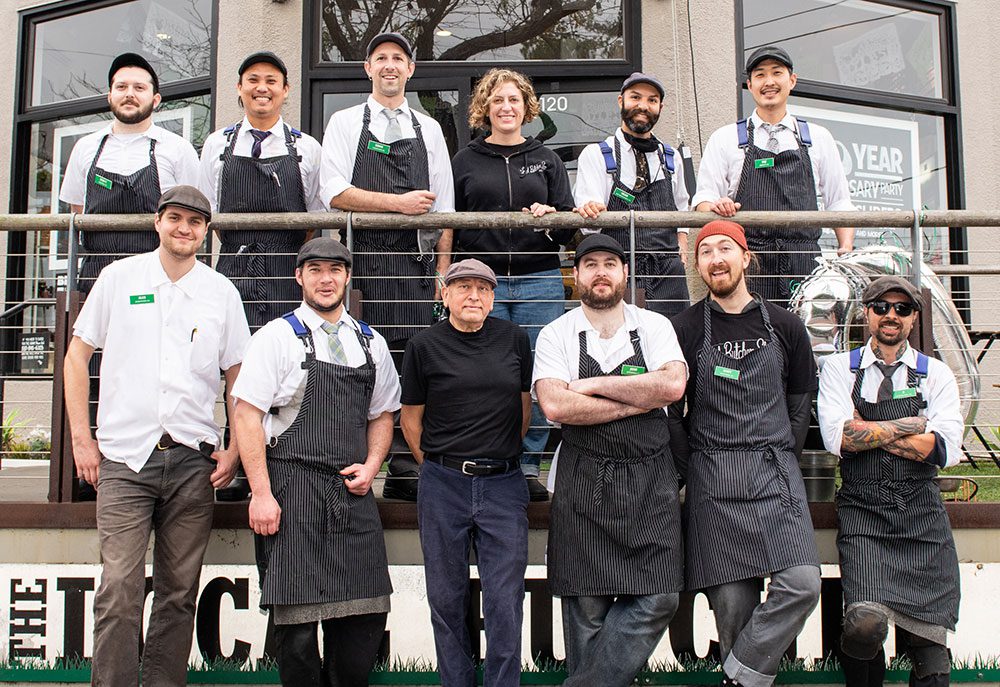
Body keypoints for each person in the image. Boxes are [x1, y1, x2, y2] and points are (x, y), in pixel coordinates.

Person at [62, 185, 249, 687]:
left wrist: (234, 447)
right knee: (119, 587)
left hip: (193, 461)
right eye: (175, 218)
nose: (183, 228)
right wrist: (84, 439)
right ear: (157, 222)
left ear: (206, 231)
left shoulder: (220, 292)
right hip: (125, 460)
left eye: (194, 221)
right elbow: (76, 357)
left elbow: (238, 376)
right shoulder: (119, 278)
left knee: (178, 592)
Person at [232, 237, 399, 687]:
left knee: (361, 629)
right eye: (316, 270)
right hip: (292, 491)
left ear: (348, 277)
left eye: (336, 270)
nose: (327, 280)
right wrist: (261, 494)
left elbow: (383, 412)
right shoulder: (276, 338)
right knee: (299, 641)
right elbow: (246, 415)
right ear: (299, 277)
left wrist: (372, 465)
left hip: (351, 494)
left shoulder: (371, 343)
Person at [668, 219, 821, 687]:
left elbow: (799, 406)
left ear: (745, 257)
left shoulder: (788, 326)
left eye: (724, 249)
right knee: (733, 608)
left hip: (774, 471)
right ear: (698, 266)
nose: (716, 259)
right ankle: (743, 673)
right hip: (713, 475)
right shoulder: (686, 328)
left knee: (803, 583)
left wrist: (781, 457)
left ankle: (735, 676)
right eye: (705, 252)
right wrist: (688, 471)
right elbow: (672, 414)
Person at [533, 234, 687, 687]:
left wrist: (588, 386)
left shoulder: (655, 326)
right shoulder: (555, 333)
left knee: (660, 596)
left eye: (610, 264)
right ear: (576, 275)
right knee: (586, 608)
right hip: (583, 481)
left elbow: (673, 387)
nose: (601, 272)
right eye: (591, 264)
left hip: (650, 481)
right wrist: (638, 398)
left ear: (624, 273)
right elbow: (557, 408)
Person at [320, 31, 455, 501]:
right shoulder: (343, 122)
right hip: (362, 266)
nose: (390, 66)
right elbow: (334, 192)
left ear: (410, 70)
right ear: (368, 69)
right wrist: (398, 204)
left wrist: (442, 271)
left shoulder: (429, 129)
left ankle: (402, 461)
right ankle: (345, 454)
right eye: (381, 59)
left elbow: (445, 213)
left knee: (408, 364)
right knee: (355, 361)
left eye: (398, 58)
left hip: (416, 268)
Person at [817, 276, 961, 687]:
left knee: (932, 657)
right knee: (864, 626)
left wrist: (872, 430)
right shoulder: (838, 369)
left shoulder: (935, 374)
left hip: (922, 516)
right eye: (881, 307)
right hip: (864, 513)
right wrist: (911, 425)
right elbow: (840, 438)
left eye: (901, 308)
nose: (890, 315)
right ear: (867, 313)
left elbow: (942, 450)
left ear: (914, 318)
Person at [400, 258, 532, 687]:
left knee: (505, 600)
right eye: (463, 287)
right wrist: (441, 468)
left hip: (504, 485)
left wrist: (496, 453)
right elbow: (411, 420)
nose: (473, 296)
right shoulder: (423, 346)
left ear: (493, 298)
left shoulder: (515, 340)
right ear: (445, 294)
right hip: (444, 486)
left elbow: (523, 409)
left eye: (482, 289)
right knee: (445, 598)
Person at [451, 67, 574, 501]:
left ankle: (526, 466)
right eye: (497, 100)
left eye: (514, 100)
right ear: (485, 108)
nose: (506, 107)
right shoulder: (465, 160)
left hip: (539, 279)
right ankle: (489, 460)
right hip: (482, 284)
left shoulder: (548, 159)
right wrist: (443, 272)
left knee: (541, 374)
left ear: (527, 108)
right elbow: (450, 223)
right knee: (486, 374)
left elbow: (568, 228)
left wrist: (551, 216)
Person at [692, 45, 855, 307]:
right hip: (749, 263)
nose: (769, 82)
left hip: (805, 260)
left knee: (808, 338)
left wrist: (845, 248)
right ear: (749, 84)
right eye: (760, 75)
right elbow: (703, 200)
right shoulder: (725, 138)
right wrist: (716, 206)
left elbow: (839, 202)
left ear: (792, 80)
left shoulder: (818, 138)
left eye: (777, 73)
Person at [199, 51, 326, 330]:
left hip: (288, 272)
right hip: (234, 265)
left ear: (285, 90)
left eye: (271, 80)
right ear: (239, 88)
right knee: (234, 356)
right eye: (253, 80)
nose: (262, 88)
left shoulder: (307, 147)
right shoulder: (216, 144)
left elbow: (315, 219)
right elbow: (210, 212)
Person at [59, 52, 200, 293]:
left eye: (139, 87)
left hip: (159, 274)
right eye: (121, 86)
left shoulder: (178, 149)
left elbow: (195, 214)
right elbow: (77, 211)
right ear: (110, 96)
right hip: (97, 275)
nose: (129, 94)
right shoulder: (85, 148)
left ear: (155, 99)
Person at [574, 72, 691, 318]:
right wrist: (591, 209)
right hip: (620, 270)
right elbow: (589, 223)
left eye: (652, 100)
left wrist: (682, 240)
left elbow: (682, 207)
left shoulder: (671, 158)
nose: (643, 106)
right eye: (635, 97)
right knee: (624, 345)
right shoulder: (597, 155)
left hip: (669, 273)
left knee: (674, 340)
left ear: (660, 107)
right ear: (621, 101)